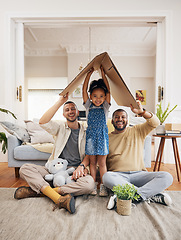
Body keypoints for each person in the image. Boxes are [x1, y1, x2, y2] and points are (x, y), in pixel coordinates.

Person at [14, 93, 94, 214]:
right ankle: (58, 198)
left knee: (89, 184)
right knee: (25, 168)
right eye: (67, 110)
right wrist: (60, 102)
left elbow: (89, 153)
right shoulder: (59, 127)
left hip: (74, 172)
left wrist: (82, 166)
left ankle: (45, 192)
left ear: (78, 112)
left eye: (73, 109)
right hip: (54, 170)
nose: (70, 111)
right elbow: (42, 122)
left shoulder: (86, 130)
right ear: (63, 114)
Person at [103, 101, 173, 209]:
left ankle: (127, 196)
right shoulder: (106, 138)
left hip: (140, 174)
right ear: (112, 121)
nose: (120, 119)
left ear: (127, 120)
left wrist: (142, 112)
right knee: (106, 177)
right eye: (116, 117)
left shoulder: (137, 130)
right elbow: (101, 163)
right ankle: (149, 195)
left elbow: (155, 122)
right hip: (118, 176)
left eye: (123, 117)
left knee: (167, 177)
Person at [82, 66, 111, 196]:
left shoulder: (105, 107)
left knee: (102, 163)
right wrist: (89, 74)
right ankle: (93, 185)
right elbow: (84, 89)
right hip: (91, 136)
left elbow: (109, 90)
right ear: (90, 96)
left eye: (101, 96)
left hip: (102, 136)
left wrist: (103, 74)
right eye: (95, 96)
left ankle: (104, 186)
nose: (98, 99)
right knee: (92, 162)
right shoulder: (88, 106)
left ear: (105, 97)